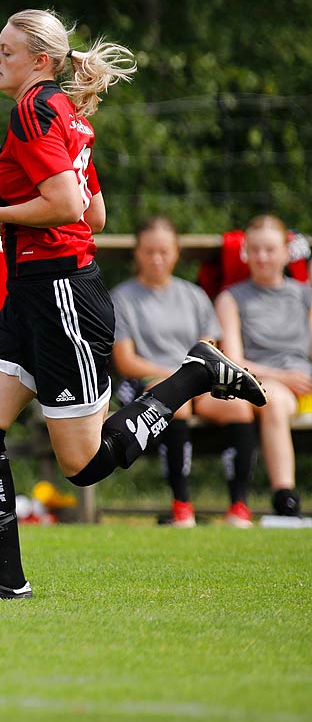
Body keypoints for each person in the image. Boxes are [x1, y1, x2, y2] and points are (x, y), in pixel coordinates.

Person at [0, 9, 265, 600]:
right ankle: (8, 580)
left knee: (85, 464)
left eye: (6, 50)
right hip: (31, 292)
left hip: (62, 294)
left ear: (39, 61)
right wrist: (15, 223)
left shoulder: (35, 109)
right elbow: (95, 214)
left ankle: (193, 374)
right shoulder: (64, 112)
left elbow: (68, 207)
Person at [110, 216, 255, 527]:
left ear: (176, 253)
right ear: (137, 253)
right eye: (149, 251)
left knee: (240, 409)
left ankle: (239, 507)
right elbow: (125, 361)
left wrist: (191, 378)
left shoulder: (194, 296)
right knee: (178, 403)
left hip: (198, 382)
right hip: (148, 383)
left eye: (163, 251)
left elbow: (210, 348)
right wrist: (179, 379)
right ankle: (182, 506)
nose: (156, 259)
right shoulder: (121, 298)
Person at [212, 215, 307, 522]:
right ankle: (285, 496)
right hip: (262, 384)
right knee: (274, 399)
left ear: (285, 252)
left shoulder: (304, 295)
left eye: (270, 249)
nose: (262, 257)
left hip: (306, 382)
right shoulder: (231, 298)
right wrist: (284, 377)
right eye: (255, 250)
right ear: (245, 253)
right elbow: (234, 362)